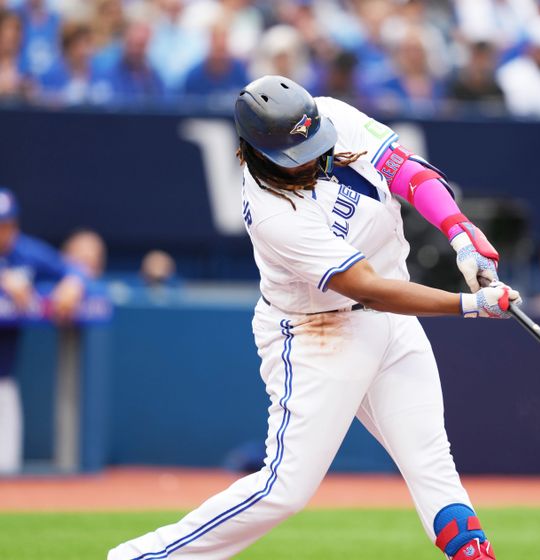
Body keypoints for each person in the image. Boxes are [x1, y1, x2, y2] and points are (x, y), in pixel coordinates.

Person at [108, 75, 519, 559]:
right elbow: (365, 286)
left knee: (431, 460)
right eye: (295, 153)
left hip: (391, 319)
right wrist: (468, 305)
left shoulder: (328, 114)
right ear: (258, 152)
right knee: (285, 488)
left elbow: (407, 171)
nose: (313, 157)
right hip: (318, 334)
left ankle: (473, 552)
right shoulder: (272, 212)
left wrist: (460, 231)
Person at [0, 188, 85, 474]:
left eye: (7, 224)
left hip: (3, 381)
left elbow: (76, 271)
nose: (3, 232)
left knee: (6, 473)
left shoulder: (24, 252)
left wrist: (73, 283)